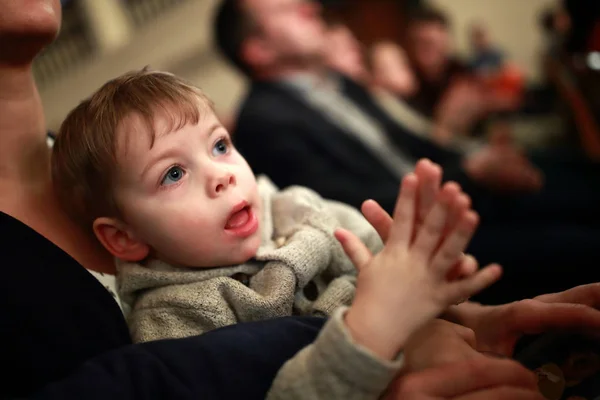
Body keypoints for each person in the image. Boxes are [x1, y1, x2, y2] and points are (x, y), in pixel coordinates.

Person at [0, 0, 598, 398]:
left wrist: (444, 294)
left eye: (221, 146)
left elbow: (368, 241)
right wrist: (382, 330)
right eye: (173, 176)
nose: (221, 176)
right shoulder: (176, 310)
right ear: (123, 238)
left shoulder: (283, 207)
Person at [213, 0, 600, 303]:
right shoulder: (263, 119)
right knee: (582, 242)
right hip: (416, 241)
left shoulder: (338, 85)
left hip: (448, 196)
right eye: (288, 8)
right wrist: (471, 173)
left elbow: (413, 146)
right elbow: (352, 204)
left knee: (577, 172)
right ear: (258, 50)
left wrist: (476, 157)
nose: (311, 7)